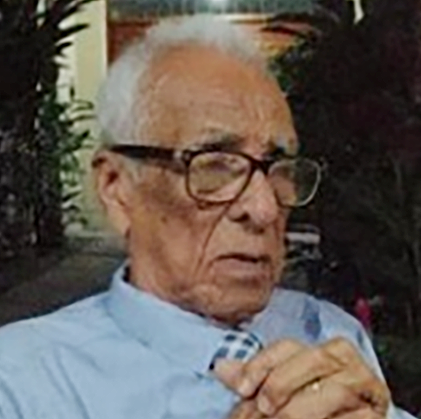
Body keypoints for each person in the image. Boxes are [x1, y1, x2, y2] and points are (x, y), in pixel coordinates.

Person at [0, 16, 414, 419]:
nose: (264, 209)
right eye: (215, 165)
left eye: (279, 168)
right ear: (116, 188)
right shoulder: (23, 383)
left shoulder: (329, 332)